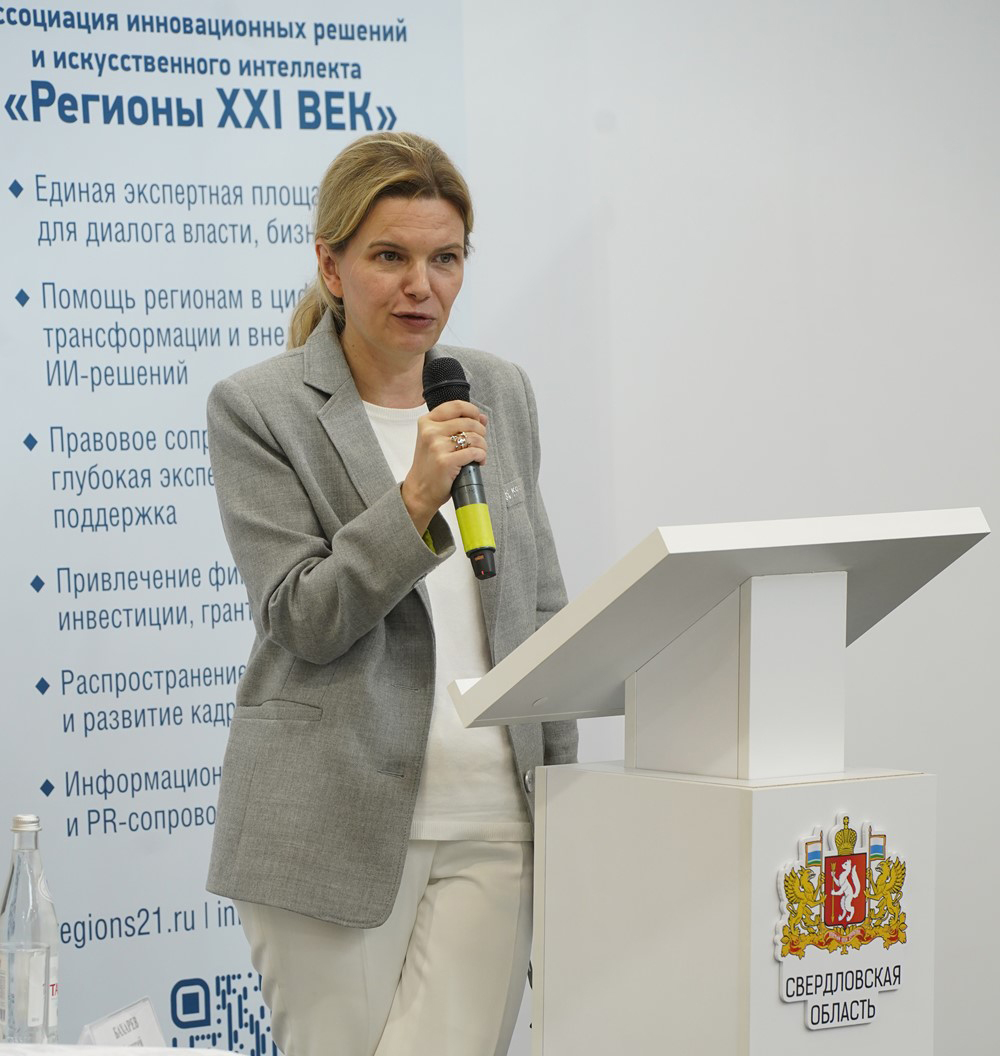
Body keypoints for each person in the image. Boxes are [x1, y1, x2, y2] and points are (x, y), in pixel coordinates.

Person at [204, 131, 577, 1056]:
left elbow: (540, 610)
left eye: (445, 258)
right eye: (390, 257)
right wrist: (414, 499)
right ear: (332, 266)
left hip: (495, 815)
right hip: (328, 817)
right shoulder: (258, 407)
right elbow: (301, 616)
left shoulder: (498, 390)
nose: (422, 286)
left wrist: (566, 803)